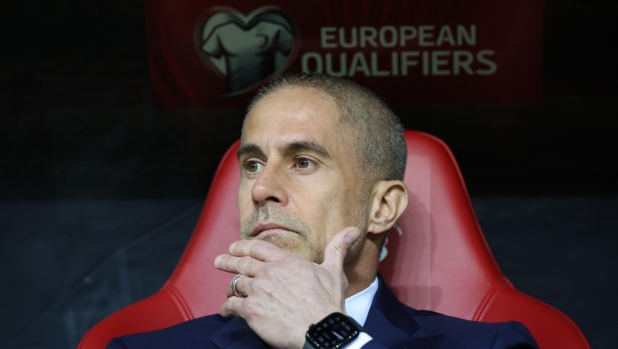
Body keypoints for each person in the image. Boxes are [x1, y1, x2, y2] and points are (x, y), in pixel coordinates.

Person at [107, 73, 538, 349]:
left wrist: (329, 335)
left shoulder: (492, 344)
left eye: (303, 162)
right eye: (253, 164)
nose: (261, 188)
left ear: (382, 207)